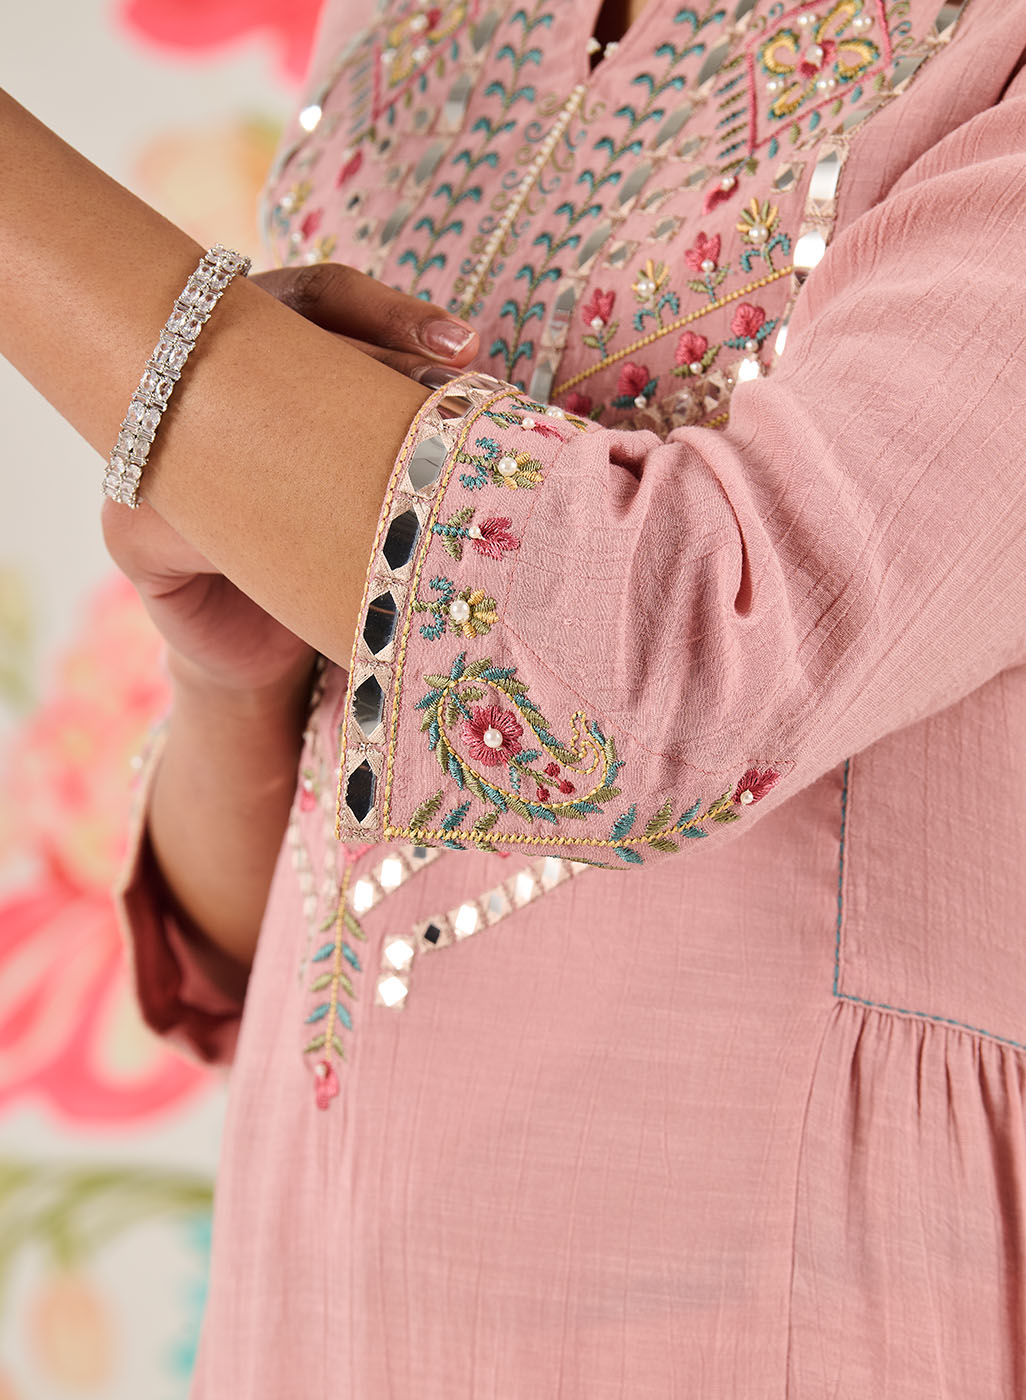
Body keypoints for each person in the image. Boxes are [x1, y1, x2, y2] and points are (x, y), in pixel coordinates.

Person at [4, 0, 1026, 1390]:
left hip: (757, 1306)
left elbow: (679, 665)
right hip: (318, 1307)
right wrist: (228, 679)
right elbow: (261, 947)